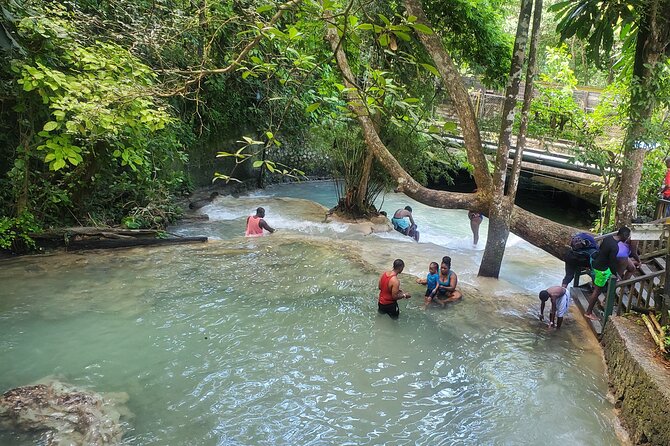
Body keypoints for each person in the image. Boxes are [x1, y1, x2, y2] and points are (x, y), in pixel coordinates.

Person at [585, 226, 631, 321]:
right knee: (597, 291)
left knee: (598, 287)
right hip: (602, 269)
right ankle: (588, 312)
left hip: (596, 263)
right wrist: (616, 275)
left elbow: (601, 250)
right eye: (628, 236)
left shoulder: (608, 238)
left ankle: (599, 297)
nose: (628, 238)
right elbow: (612, 262)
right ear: (624, 235)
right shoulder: (615, 247)